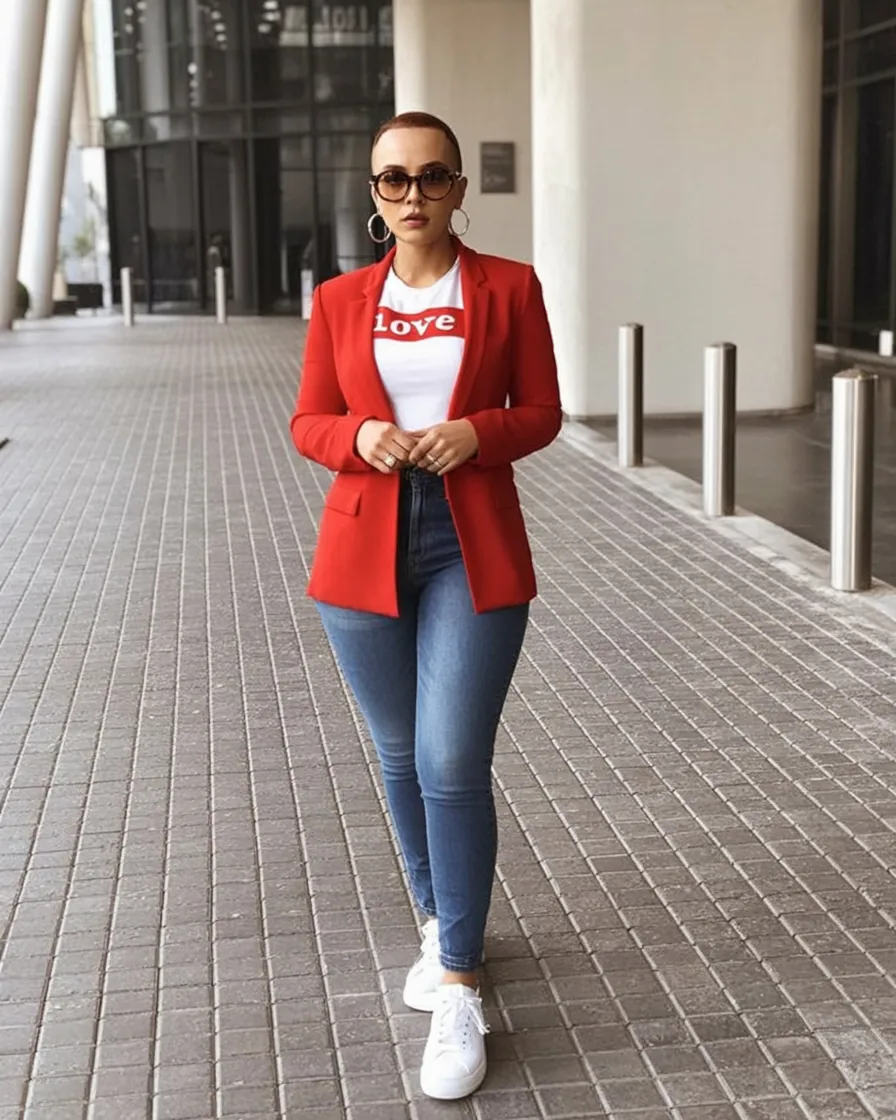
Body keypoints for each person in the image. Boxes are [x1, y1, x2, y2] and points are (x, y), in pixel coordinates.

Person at [290, 111, 561, 1100]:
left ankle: (458, 981)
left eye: (432, 176)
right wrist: (357, 437)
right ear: (374, 193)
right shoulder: (338, 300)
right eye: (393, 179)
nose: (413, 194)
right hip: (361, 546)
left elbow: (542, 411)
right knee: (400, 752)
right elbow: (308, 419)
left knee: (450, 760)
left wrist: (477, 433)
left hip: (468, 543)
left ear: (458, 189)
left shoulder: (509, 288)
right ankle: (439, 920)